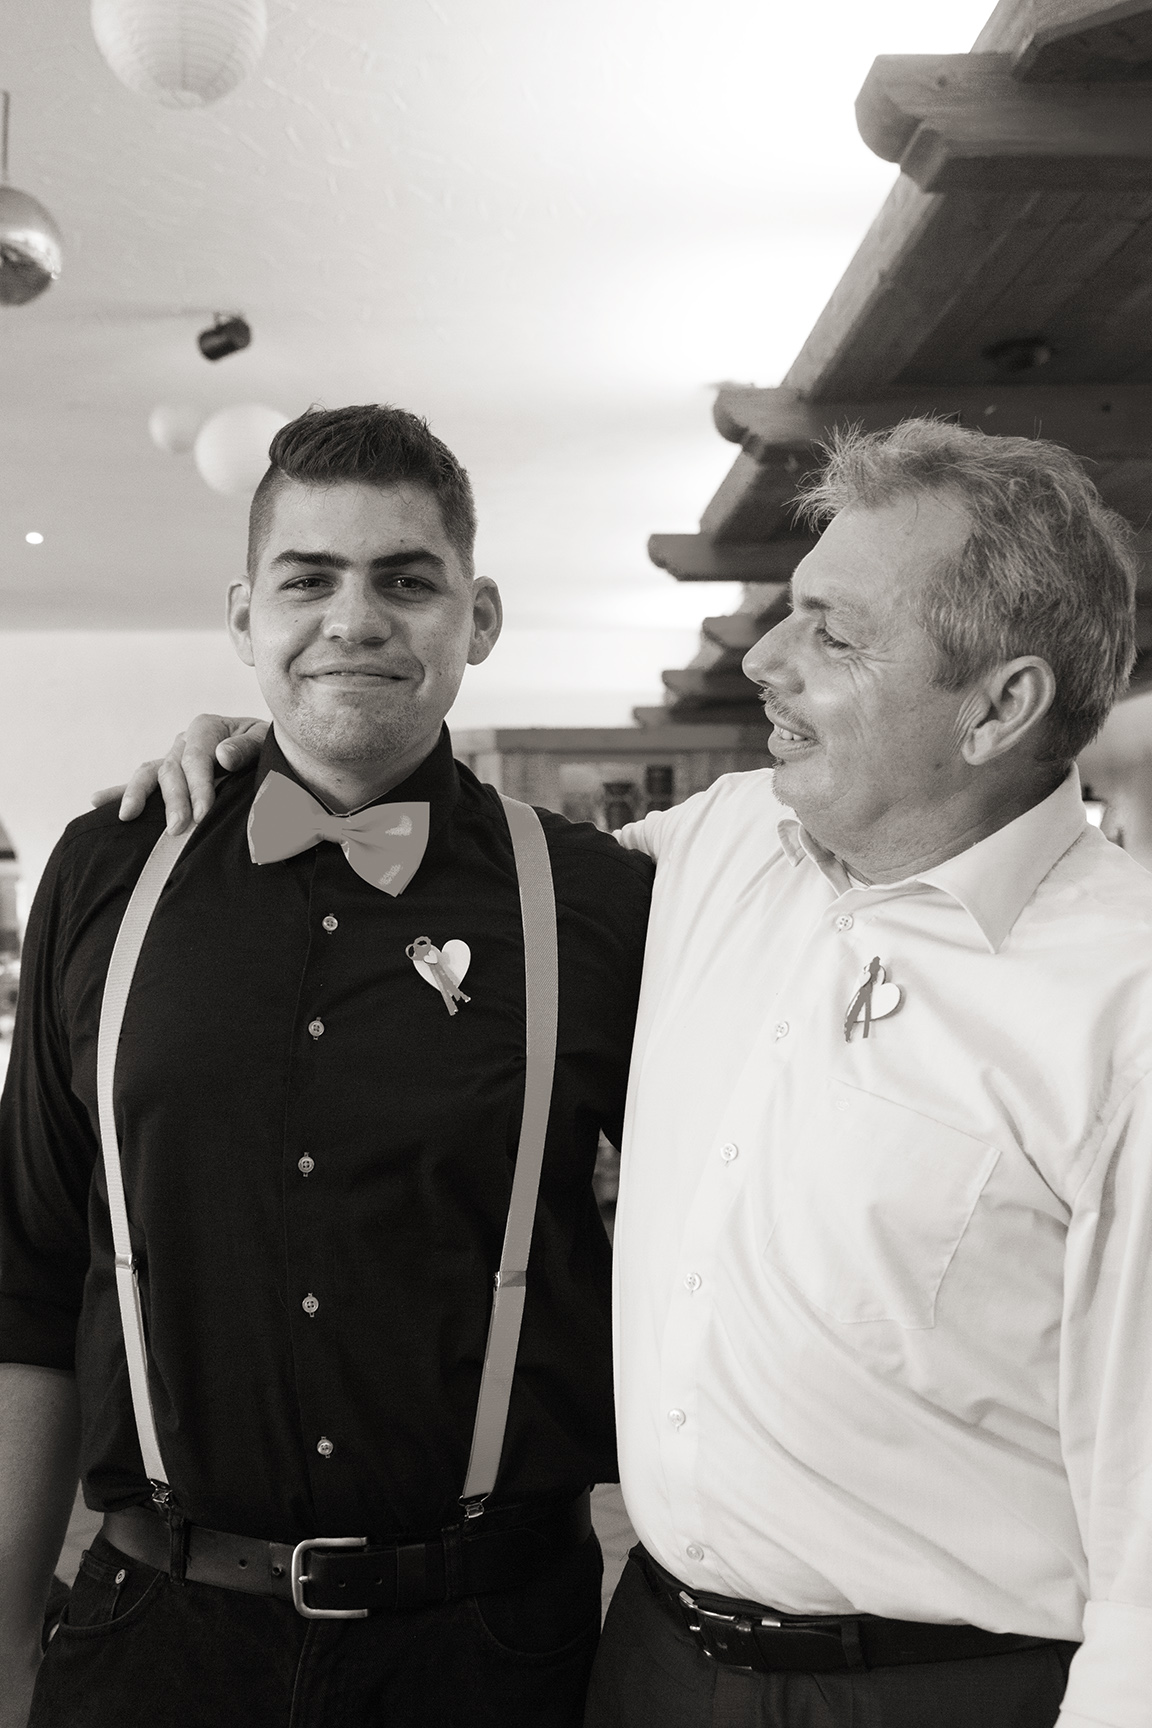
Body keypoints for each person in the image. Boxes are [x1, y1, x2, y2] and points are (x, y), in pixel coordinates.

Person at [142, 419, 1152, 1728]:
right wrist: (288, 741)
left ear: (1000, 706)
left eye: (835, 635)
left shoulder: (1122, 1000)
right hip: (649, 1662)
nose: (766, 659)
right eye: (788, 611)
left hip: (949, 1688)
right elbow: (462, 867)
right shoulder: (720, 847)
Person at [0, 404, 653, 1728]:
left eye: (406, 581)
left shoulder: (598, 900)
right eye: (309, 581)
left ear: (478, 619)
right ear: (248, 620)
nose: (354, 620)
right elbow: (27, 1270)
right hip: (150, 1639)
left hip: (488, 1650)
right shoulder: (107, 868)